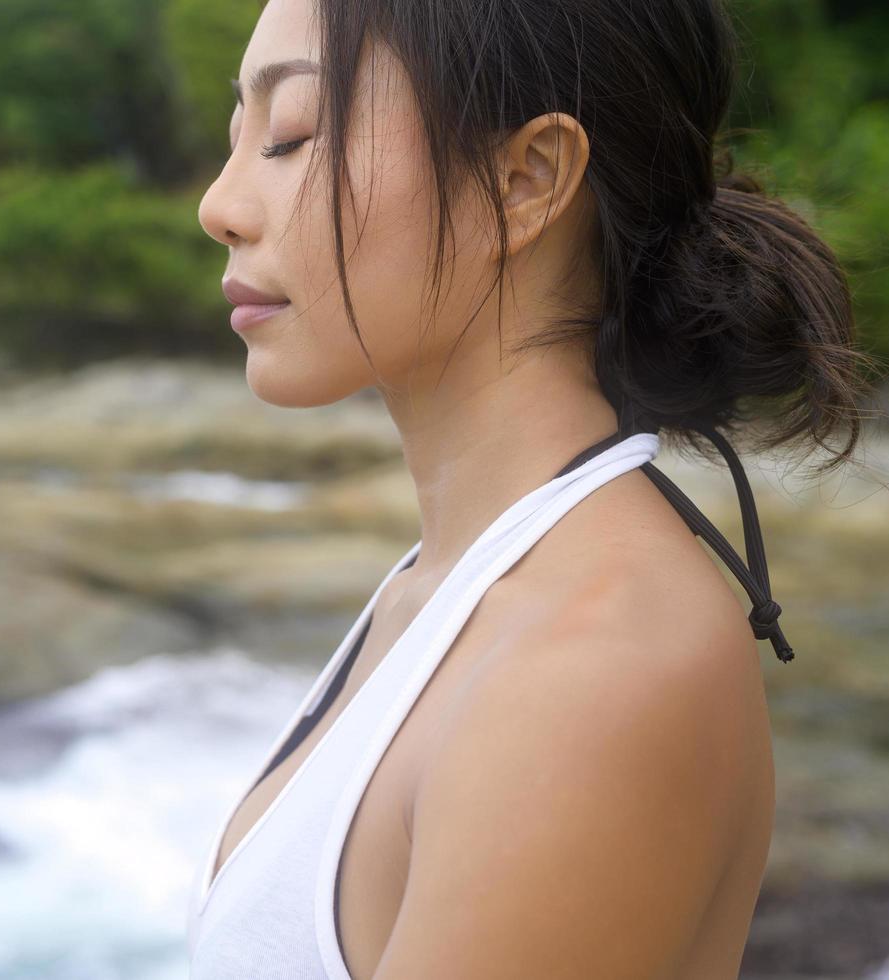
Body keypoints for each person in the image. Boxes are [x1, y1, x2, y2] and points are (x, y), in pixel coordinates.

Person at [188, 0, 884, 977]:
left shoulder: (593, 665)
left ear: (527, 180)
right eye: (241, 137)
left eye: (291, 134)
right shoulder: (444, 591)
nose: (219, 204)